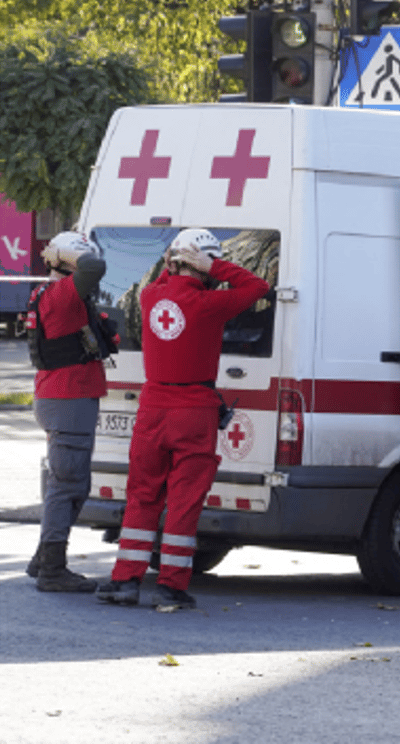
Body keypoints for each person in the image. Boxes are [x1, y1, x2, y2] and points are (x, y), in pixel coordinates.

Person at [95, 228, 269, 609]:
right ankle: (171, 586)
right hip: (194, 409)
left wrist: (177, 258)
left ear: (171, 262)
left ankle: (124, 581)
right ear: (202, 264)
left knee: (142, 496)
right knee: (184, 501)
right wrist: (215, 266)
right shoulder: (210, 303)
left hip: (153, 407)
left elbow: (163, 277)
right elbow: (257, 287)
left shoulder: (150, 295)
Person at [25, 231, 113, 593]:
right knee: (68, 485)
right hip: (68, 399)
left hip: (63, 398)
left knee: (72, 483)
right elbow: (95, 267)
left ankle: (43, 559)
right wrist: (65, 252)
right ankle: (52, 569)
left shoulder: (52, 293)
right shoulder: (62, 294)